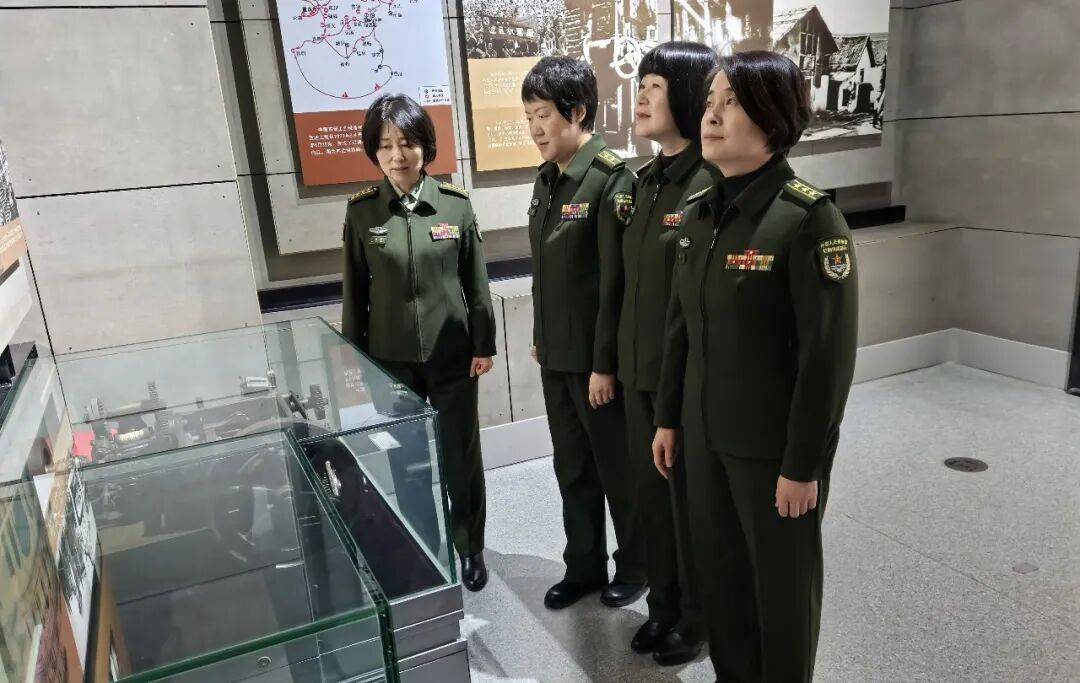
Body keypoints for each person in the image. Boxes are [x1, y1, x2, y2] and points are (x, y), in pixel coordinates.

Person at [652, 51, 859, 681]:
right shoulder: (700, 213)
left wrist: (802, 466)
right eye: (710, 101)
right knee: (722, 583)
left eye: (731, 103)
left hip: (772, 454)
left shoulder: (807, 221)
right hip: (704, 441)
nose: (711, 115)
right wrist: (668, 419)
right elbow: (680, 330)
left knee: (781, 591)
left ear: (773, 119)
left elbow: (827, 360)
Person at [340, 94, 496, 592]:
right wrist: (356, 359)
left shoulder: (455, 205)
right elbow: (354, 293)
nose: (396, 155)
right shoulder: (362, 213)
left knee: (460, 456)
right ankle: (423, 547)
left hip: (453, 356)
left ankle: (469, 545)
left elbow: (476, 282)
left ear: (426, 146)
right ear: (374, 151)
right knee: (405, 458)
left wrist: (483, 344)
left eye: (406, 142)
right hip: (392, 362)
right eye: (385, 145)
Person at [521, 56, 647, 610]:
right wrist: (542, 335)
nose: (535, 128)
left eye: (543, 115)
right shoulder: (548, 179)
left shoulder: (612, 180)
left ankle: (637, 565)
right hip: (557, 357)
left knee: (617, 471)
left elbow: (616, 285)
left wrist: (604, 364)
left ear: (576, 112)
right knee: (571, 468)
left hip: (596, 366)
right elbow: (548, 272)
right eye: (529, 117)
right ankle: (584, 566)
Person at [617, 41, 717, 666]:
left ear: (686, 94)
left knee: (687, 507)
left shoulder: (707, 183)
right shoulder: (646, 181)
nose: (641, 96)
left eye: (654, 85)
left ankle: (697, 618)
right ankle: (663, 606)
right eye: (641, 84)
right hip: (638, 372)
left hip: (679, 378)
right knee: (651, 502)